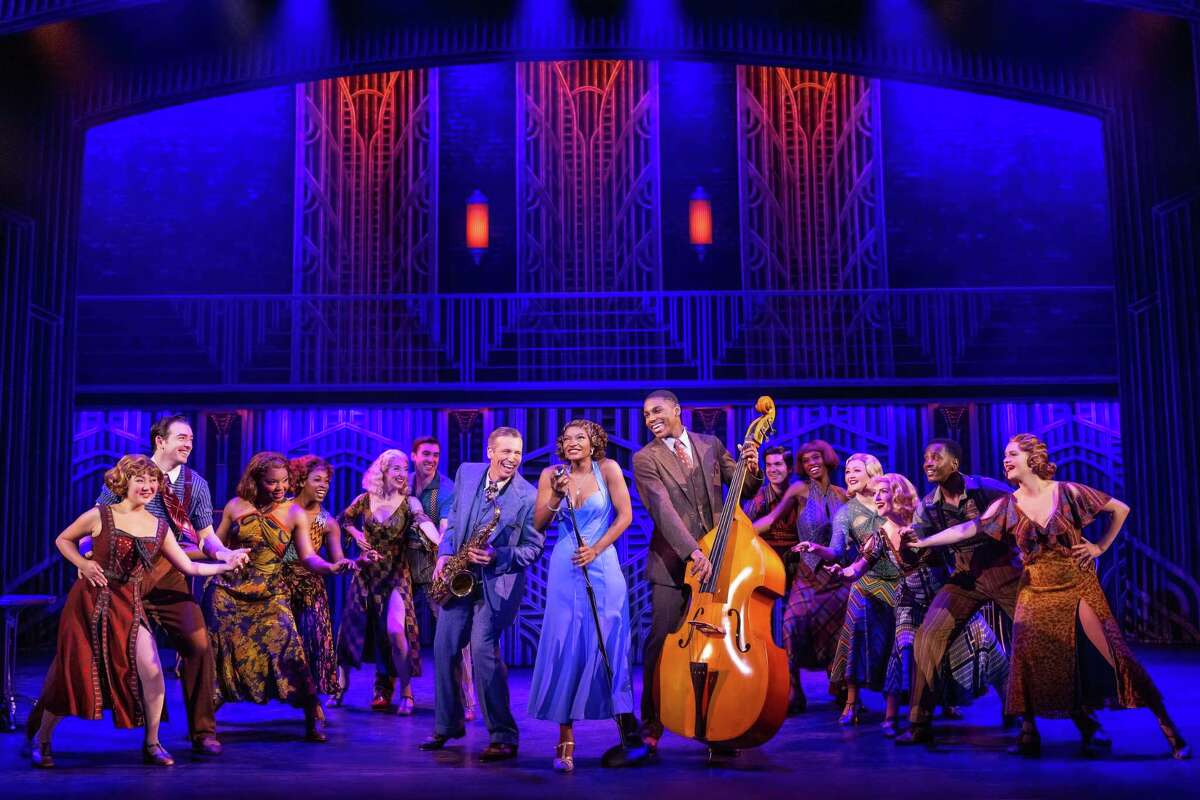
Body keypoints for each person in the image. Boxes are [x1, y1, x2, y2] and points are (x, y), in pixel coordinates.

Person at [907, 434, 1190, 759]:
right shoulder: (1002, 505)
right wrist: (922, 543)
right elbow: (967, 528)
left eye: (1012, 454)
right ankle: (1025, 729)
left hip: (1066, 584)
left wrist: (1099, 547)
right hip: (1029, 587)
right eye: (1004, 455)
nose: (1006, 460)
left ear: (1033, 458)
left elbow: (1120, 509)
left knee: (1111, 655)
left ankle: (1161, 727)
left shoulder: (1064, 492)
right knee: (1024, 658)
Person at [26, 414, 240, 756]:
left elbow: (204, 540)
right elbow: (88, 530)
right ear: (161, 440)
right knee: (75, 662)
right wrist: (86, 561)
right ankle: (40, 733)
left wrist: (224, 556)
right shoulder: (122, 486)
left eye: (191, 439)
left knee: (195, 645)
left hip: (164, 572)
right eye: (182, 437)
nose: (188, 444)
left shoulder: (193, 486)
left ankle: (193, 733)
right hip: (111, 582)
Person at [824, 474, 1006, 737]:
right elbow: (857, 568)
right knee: (904, 648)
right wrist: (842, 572)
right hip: (910, 598)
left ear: (897, 495)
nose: (876, 498)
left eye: (882, 492)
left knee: (983, 643)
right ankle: (893, 716)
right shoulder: (880, 536)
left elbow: (957, 542)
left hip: (945, 595)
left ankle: (1012, 708)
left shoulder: (925, 521)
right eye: (875, 493)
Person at [632, 389, 760, 761]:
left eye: (657, 410)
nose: (650, 417)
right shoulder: (645, 458)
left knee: (717, 644)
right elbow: (662, 510)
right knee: (661, 642)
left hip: (721, 561)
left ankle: (718, 728)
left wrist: (752, 467)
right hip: (673, 564)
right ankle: (652, 725)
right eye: (645, 414)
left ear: (676, 409)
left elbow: (743, 491)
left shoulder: (710, 443)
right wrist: (694, 552)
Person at [420, 427, 544, 762]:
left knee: (482, 650)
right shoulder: (467, 472)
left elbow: (534, 549)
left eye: (517, 453)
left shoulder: (529, 497)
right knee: (444, 647)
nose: (512, 459)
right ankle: (447, 726)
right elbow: (457, 518)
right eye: (505, 452)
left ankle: (503, 735)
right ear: (490, 450)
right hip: (459, 576)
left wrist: (498, 556)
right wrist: (445, 553)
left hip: (497, 584)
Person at [205, 451, 346, 742]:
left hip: (270, 594)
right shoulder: (235, 506)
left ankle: (312, 714)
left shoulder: (293, 512)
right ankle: (204, 723)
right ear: (256, 480)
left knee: (291, 653)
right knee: (222, 659)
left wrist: (330, 567)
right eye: (271, 483)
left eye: (284, 482)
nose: (280, 488)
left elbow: (308, 556)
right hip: (228, 594)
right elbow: (214, 546)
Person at [529, 420, 637, 772]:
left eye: (581, 437)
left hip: (602, 564)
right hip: (566, 567)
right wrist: (557, 495)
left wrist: (597, 548)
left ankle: (626, 733)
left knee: (610, 643)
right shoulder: (551, 474)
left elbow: (625, 516)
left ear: (594, 443)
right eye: (567, 438)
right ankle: (565, 738)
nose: (573, 442)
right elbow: (539, 523)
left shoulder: (608, 469)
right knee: (566, 646)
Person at [895, 438, 1020, 745]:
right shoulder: (928, 505)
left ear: (955, 463)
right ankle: (919, 722)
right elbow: (919, 554)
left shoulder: (987, 489)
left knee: (1034, 634)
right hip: (964, 577)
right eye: (925, 458)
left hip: (1004, 571)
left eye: (935, 457)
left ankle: (1073, 719)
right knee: (928, 635)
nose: (927, 463)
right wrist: (908, 541)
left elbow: (1025, 513)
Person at [337, 449, 440, 713]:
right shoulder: (365, 499)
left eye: (405, 468)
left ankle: (406, 692)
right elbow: (344, 519)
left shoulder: (409, 502)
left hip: (396, 573)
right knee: (350, 630)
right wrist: (355, 533)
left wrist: (440, 542)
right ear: (382, 471)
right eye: (396, 468)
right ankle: (340, 687)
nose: (402, 473)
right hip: (366, 573)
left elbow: (423, 521)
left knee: (396, 630)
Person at [751, 440, 849, 714]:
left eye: (816, 457)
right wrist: (736, 535)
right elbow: (770, 520)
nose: (811, 464)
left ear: (826, 459)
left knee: (836, 633)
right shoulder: (799, 489)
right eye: (806, 460)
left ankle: (841, 687)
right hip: (806, 574)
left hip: (835, 574)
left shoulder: (844, 494)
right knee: (791, 626)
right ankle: (794, 689)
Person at [802, 452, 892, 723]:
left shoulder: (890, 501)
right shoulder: (847, 512)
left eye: (856, 471)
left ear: (873, 473)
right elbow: (837, 550)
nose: (849, 476)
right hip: (864, 578)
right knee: (855, 631)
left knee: (896, 641)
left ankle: (898, 705)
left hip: (899, 580)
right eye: (847, 471)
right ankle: (851, 702)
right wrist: (817, 548)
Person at [408, 436, 476, 720]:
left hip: (434, 563)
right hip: (403, 564)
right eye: (426, 454)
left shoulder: (445, 489)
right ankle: (397, 692)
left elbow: (446, 532)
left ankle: (467, 698)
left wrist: (443, 561)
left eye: (436, 455)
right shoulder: (404, 482)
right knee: (394, 628)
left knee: (454, 632)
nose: (431, 459)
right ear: (414, 456)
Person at [283, 455, 357, 712]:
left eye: (326, 481)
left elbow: (337, 561)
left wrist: (355, 562)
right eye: (317, 480)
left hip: (310, 588)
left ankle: (312, 707)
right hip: (279, 587)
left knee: (312, 644)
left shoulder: (328, 523)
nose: (324, 485)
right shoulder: (283, 510)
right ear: (301, 480)